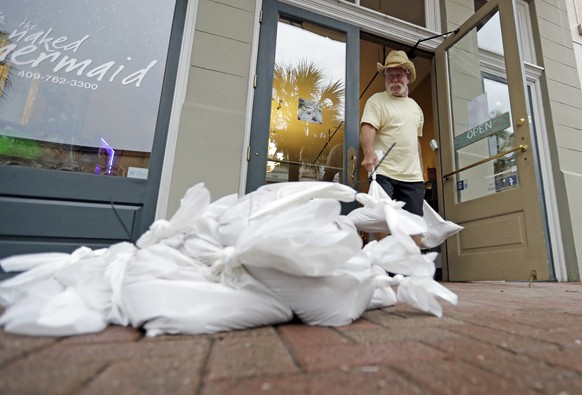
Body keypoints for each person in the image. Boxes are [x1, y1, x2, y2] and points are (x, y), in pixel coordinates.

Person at [360, 50, 425, 242]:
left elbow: (416, 141)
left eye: (399, 74)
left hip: (412, 177)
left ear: (407, 77)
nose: (394, 78)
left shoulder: (415, 107)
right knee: (384, 221)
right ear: (385, 77)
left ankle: (412, 267)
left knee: (414, 226)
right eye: (390, 74)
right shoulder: (376, 101)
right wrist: (368, 152)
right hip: (385, 172)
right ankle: (384, 267)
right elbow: (368, 126)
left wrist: (420, 170)